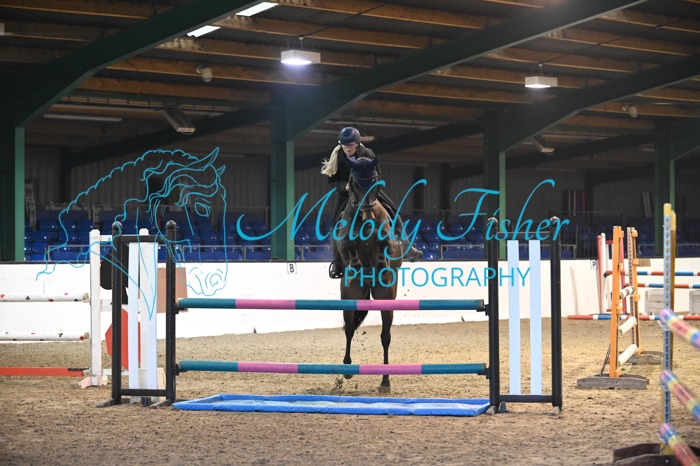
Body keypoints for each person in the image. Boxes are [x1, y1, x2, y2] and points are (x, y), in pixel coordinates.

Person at [321, 127, 422, 279]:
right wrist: (345, 186)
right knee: (334, 225)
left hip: (367, 191)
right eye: (345, 145)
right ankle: (337, 263)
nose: (347, 148)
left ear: (357, 144)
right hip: (346, 194)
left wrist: (369, 186)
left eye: (350, 145)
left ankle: (408, 247)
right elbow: (332, 181)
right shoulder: (338, 157)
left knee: (393, 210)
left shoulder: (368, 154)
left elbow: (378, 173)